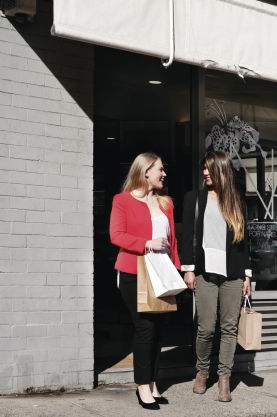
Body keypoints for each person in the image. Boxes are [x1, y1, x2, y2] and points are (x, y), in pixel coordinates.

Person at [109, 152, 180, 410]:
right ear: (146, 171)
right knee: (145, 328)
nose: (164, 174)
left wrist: (178, 270)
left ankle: (152, 382)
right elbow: (116, 235)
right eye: (160, 169)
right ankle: (142, 385)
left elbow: (173, 242)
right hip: (133, 272)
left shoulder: (166, 203)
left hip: (162, 273)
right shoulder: (122, 201)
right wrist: (146, 244)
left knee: (159, 329)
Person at [181, 151, 252, 402]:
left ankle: (224, 378)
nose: (205, 173)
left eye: (209, 168)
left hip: (232, 273)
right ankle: (202, 371)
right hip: (204, 272)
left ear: (222, 170)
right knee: (207, 328)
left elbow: (244, 242)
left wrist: (247, 275)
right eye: (204, 169)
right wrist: (188, 268)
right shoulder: (195, 199)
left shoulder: (237, 201)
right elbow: (187, 235)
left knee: (230, 328)